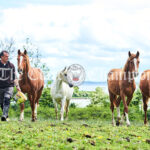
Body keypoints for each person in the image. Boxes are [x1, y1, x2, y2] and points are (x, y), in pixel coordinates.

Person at [0, 50, 21, 121]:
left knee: (7, 98)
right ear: (1, 57)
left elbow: (14, 77)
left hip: (9, 86)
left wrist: (17, 86)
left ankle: (4, 115)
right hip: (0, 87)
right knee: (1, 102)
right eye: (6, 56)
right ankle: (6, 115)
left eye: (8, 56)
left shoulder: (11, 65)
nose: (7, 58)